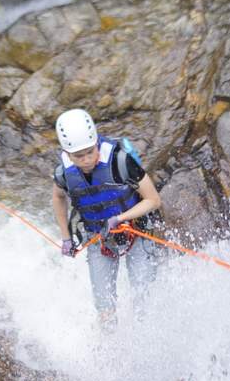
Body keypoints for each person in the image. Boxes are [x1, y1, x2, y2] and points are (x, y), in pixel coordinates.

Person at [51, 108, 162, 323]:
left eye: (90, 152)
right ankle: (111, 348)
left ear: (97, 144)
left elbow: (153, 200)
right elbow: (58, 198)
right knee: (104, 309)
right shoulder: (63, 173)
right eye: (78, 156)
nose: (85, 160)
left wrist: (120, 218)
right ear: (67, 153)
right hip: (99, 238)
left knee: (144, 299)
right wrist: (66, 238)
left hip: (136, 231)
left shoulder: (121, 161)